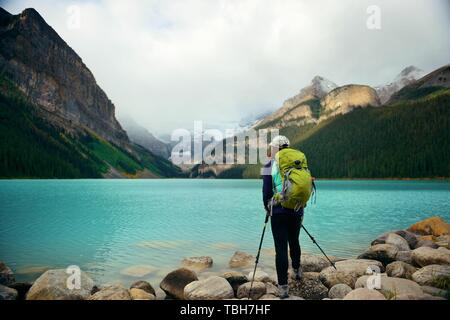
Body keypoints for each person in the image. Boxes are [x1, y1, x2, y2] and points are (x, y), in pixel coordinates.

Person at [262, 135, 303, 299]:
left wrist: (268, 207)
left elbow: (266, 192)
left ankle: (283, 288)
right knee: (294, 240)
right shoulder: (299, 163)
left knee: (281, 248)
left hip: (278, 212)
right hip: (296, 209)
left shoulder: (269, 165)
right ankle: (297, 270)